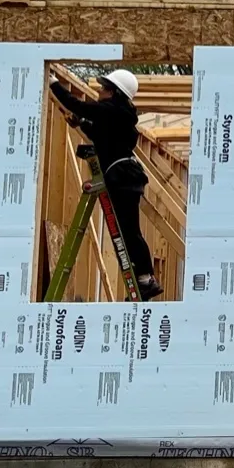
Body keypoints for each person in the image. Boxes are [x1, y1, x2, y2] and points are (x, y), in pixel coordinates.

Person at [49, 68, 162, 301]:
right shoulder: (119, 115)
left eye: (103, 88)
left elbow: (77, 104)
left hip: (123, 178)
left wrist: (53, 83)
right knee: (130, 231)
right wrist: (80, 123)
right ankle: (144, 278)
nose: (99, 92)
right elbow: (102, 136)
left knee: (129, 232)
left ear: (113, 92)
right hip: (126, 177)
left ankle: (146, 279)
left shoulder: (112, 110)